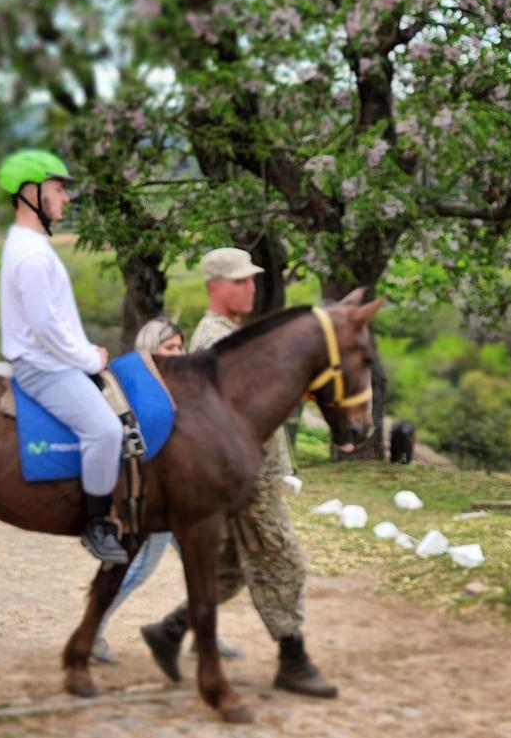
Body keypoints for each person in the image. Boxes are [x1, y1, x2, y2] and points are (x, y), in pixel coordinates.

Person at [140, 247, 338, 698]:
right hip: (246, 477)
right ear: (216, 286)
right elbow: (231, 415)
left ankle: (169, 631)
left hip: (255, 470)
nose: (251, 287)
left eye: (252, 279)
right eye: (241, 280)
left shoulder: (231, 333)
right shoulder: (214, 339)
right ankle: (293, 660)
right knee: (283, 558)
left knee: (230, 567)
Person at [0, 148, 127, 564]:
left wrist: (88, 350)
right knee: (106, 431)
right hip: (46, 368)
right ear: (32, 192)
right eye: (58, 189)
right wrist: (88, 359)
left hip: (56, 358)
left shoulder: (30, 246)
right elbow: (46, 327)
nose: (65, 199)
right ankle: (96, 524)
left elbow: (56, 320)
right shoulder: (32, 255)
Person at [91, 317, 242, 665]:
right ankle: (94, 628)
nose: (177, 353)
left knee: (204, 565)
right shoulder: (139, 389)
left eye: (179, 347)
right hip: (156, 500)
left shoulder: (175, 386)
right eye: (168, 348)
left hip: (184, 498)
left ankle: (206, 632)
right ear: (149, 351)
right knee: (140, 566)